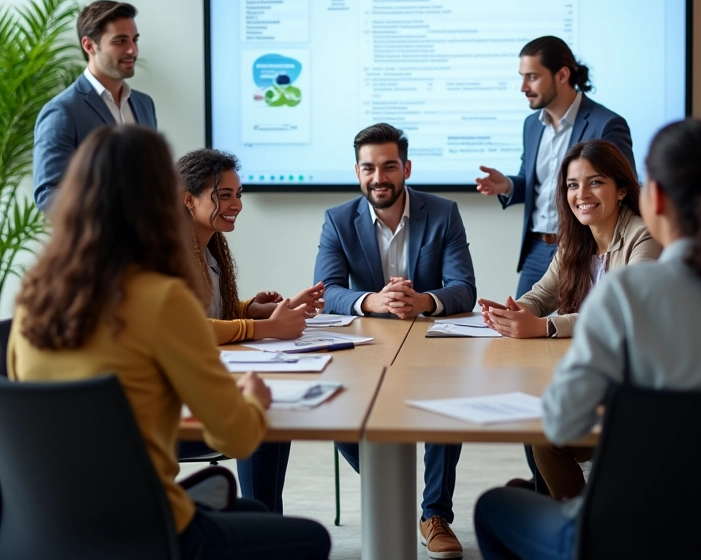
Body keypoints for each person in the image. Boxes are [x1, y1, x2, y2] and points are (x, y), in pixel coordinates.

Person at [8, 126, 331, 560]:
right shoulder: (161, 299)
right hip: (145, 529)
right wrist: (253, 400)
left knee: (251, 508)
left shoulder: (33, 299)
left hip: (42, 529)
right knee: (311, 539)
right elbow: (234, 439)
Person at [474, 118, 701, 560]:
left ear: (652, 197)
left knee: (494, 507)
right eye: (574, 185)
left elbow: (561, 425)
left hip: (630, 531)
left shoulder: (630, 292)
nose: (582, 194)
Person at [314, 123, 476, 560]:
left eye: (389, 166)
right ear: (357, 171)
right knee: (335, 407)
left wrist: (422, 299)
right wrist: (372, 301)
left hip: (429, 338)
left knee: (447, 402)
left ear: (406, 167)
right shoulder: (338, 219)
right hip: (367, 342)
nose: (378, 177)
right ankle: (393, 484)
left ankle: (435, 513)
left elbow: (464, 288)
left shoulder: (442, 212)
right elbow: (326, 290)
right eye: (368, 168)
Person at [478, 140, 660, 499]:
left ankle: (577, 532)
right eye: (573, 185)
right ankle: (555, 506)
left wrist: (545, 326)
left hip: (632, 390)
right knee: (541, 428)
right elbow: (542, 293)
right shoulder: (574, 241)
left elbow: (624, 316)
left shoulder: (645, 236)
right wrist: (515, 311)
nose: (581, 194)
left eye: (595, 182)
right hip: (591, 376)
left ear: (622, 189)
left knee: (548, 439)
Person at [176, 147, 325, 513]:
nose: (237, 204)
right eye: (223, 195)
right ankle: (265, 524)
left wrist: (258, 309)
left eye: (237, 194)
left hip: (201, 383)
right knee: (267, 420)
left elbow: (210, 312)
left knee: (272, 418)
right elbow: (186, 329)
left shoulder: (211, 247)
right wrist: (263, 328)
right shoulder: (171, 253)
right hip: (173, 411)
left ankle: (266, 521)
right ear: (188, 200)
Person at [475, 35, 635, 299]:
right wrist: (509, 185)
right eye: (522, 76)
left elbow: (623, 188)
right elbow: (537, 181)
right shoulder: (532, 124)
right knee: (519, 325)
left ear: (562, 75)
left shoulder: (606, 124)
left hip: (583, 247)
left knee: (577, 328)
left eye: (532, 77)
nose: (523, 87)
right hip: (537, 250)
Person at [33, 0, 157, 212]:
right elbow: (49, 195)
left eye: (134, 40)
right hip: (98, 243)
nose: (132, 50)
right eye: (120, 41)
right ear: (89, 45)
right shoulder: (63, 111)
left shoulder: (144, 104)